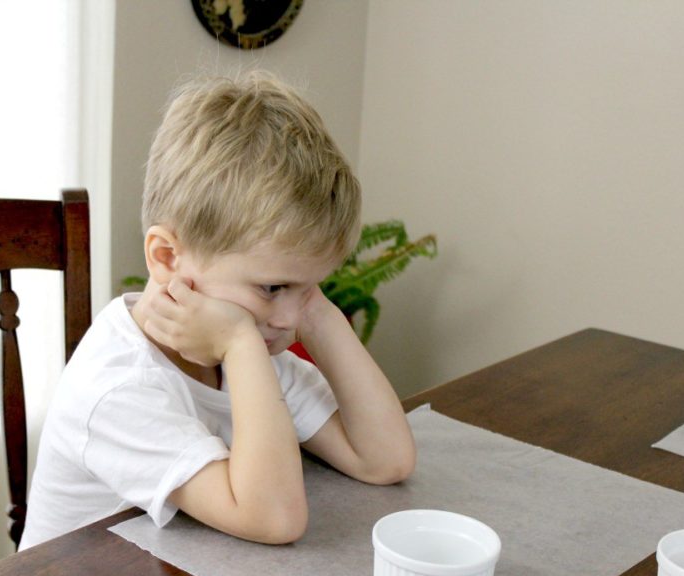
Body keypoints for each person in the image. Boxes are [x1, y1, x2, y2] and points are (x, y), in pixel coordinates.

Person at [20, 70, 415, 549]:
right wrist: (240, 345)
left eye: (310, 288)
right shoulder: (121, 388)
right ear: (167, 258)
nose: (289, 318)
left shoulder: (258, 349)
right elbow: (274, 519)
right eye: (272, 287)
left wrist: (319, 313)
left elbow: (385, 460)